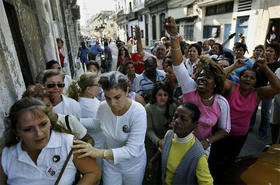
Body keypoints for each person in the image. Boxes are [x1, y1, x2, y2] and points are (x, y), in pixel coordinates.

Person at [164, 17, 231, 155]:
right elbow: (177, 65)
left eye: (207, 76)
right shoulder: (190, 89)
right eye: (200, 75)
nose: (201, 78)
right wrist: (174, 36)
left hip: (202, 148)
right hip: (180, 142)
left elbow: (225, 129)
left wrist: (208, 140)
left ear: (216, 82)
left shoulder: (221, 102)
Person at [209, 55, 280, 183]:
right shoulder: (231, 87)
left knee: (228, 165)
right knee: (212, 162)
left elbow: (277, 87)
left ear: (255, 82)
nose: (248, 79)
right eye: (245, 76)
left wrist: (264, 67)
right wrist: (234, 66)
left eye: (252, 78)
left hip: (239, 137)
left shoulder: (258, 93)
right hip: (220, 134)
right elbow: (216, 78)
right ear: (239, 78)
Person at [0, 98, 101, 184]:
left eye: (43, 124)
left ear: (50, 121)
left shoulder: (68, 143)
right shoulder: (7, 157)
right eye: (28, 129)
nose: (39, 133)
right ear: (16, 131)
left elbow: (93, 172)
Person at [73, 71, 147, 185]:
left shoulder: (138, 112)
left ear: (127, 91)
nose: (112, 103)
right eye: (108, 98)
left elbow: (133, 149)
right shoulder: (103, 106)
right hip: (110, 165)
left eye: (117, 97)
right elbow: (98, 123)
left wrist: (99, 153)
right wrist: (75, 121)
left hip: (133, 166)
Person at [147, 103, 213, 185]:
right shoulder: (169, 135)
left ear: (195, 125)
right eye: (175, 116)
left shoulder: (198, 156)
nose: (177, 121)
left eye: (183, 119)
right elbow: (164, 149)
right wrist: (152, 161)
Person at [21, 84, 94, 145]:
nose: (45, 110)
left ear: (52, 104)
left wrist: (83, 150)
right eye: (39, 108)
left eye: (47, 105)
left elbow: (89, 139)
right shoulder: (27, 130)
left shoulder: (68, 121)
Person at [67, 72, 104, 176]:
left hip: (99, 143)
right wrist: (77, 120)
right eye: (97, 84)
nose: (99, 87)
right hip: (95, 144)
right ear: (88, 89)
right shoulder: (85, 104)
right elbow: (98, 124)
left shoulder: (91, 100)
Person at [145, 82, 177, 184]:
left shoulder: (172, 107)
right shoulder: (149, 108)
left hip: (168, 144)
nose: (162, 98)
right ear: (155, 95)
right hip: (152, 144)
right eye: (160, 95)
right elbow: (148, 129)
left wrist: (166, 141)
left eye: (165, 95)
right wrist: (158, 141)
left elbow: (174, 127)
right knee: (152, 169)